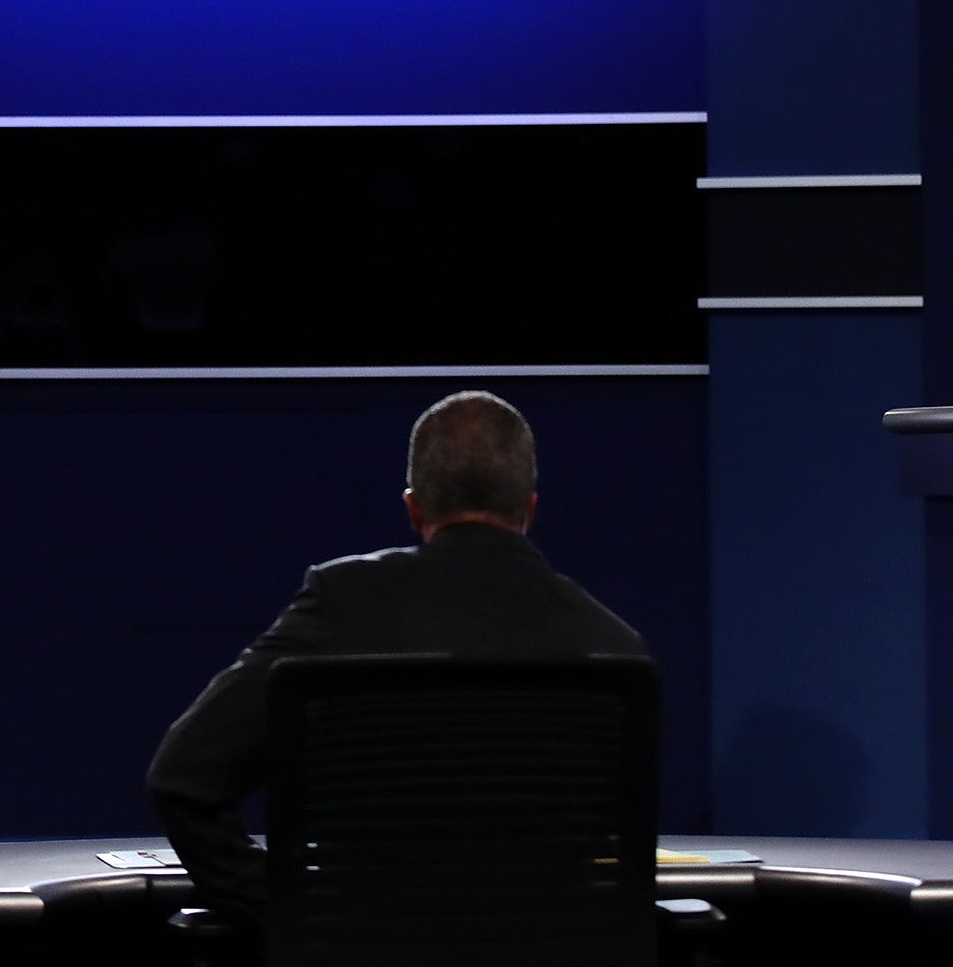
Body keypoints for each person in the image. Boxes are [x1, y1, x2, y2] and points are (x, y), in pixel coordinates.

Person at [146, 391, 648, 926]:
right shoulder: (614, 645)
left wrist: (293, 910)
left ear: (413, 508)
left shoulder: (340, 602)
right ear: (530, 508)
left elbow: (183, 780)